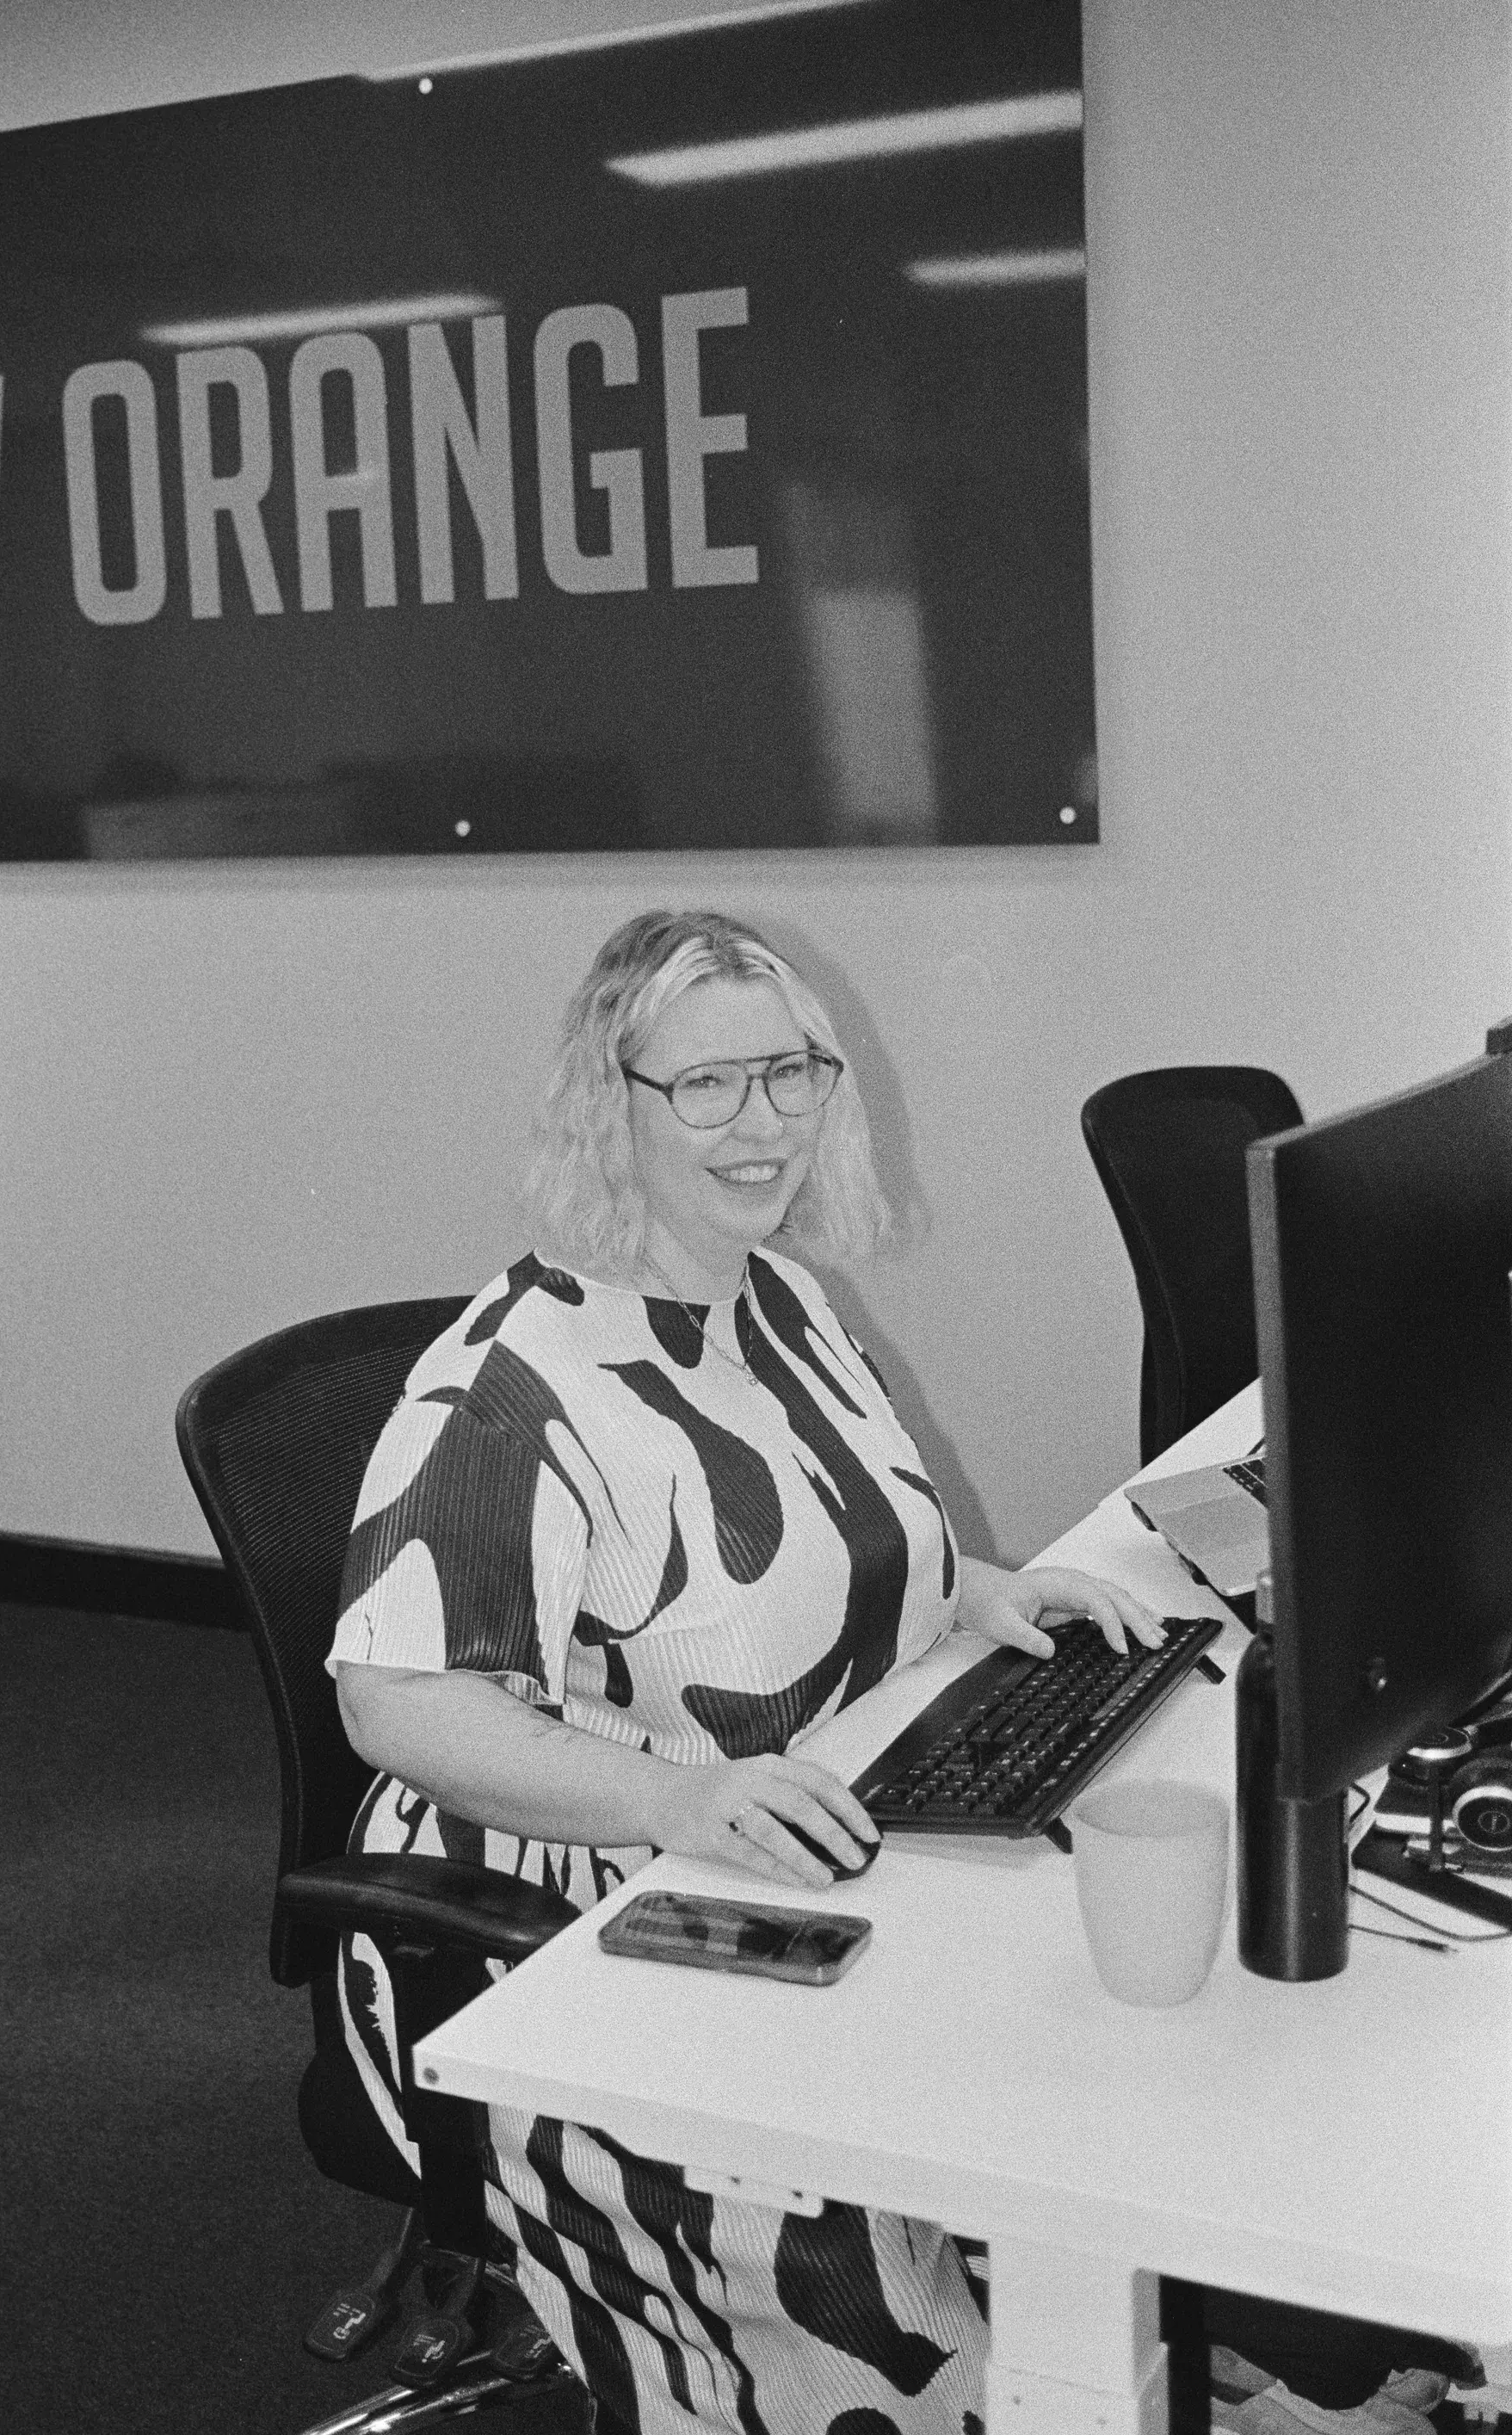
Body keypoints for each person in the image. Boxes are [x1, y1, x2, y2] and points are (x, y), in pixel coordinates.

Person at [326, 908, 1166, 2435]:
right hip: (571, 1931)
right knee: (916, 2316)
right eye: (704, 1085)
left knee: (1083, 2104)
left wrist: (980, 1593)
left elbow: (818, 1549)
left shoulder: (772, 1298)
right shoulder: (514, 1387)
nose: (761, 1120)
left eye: (789, 1073)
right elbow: (394, 1703)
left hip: (789, 1836)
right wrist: (681, 1799)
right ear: (612, 1103)